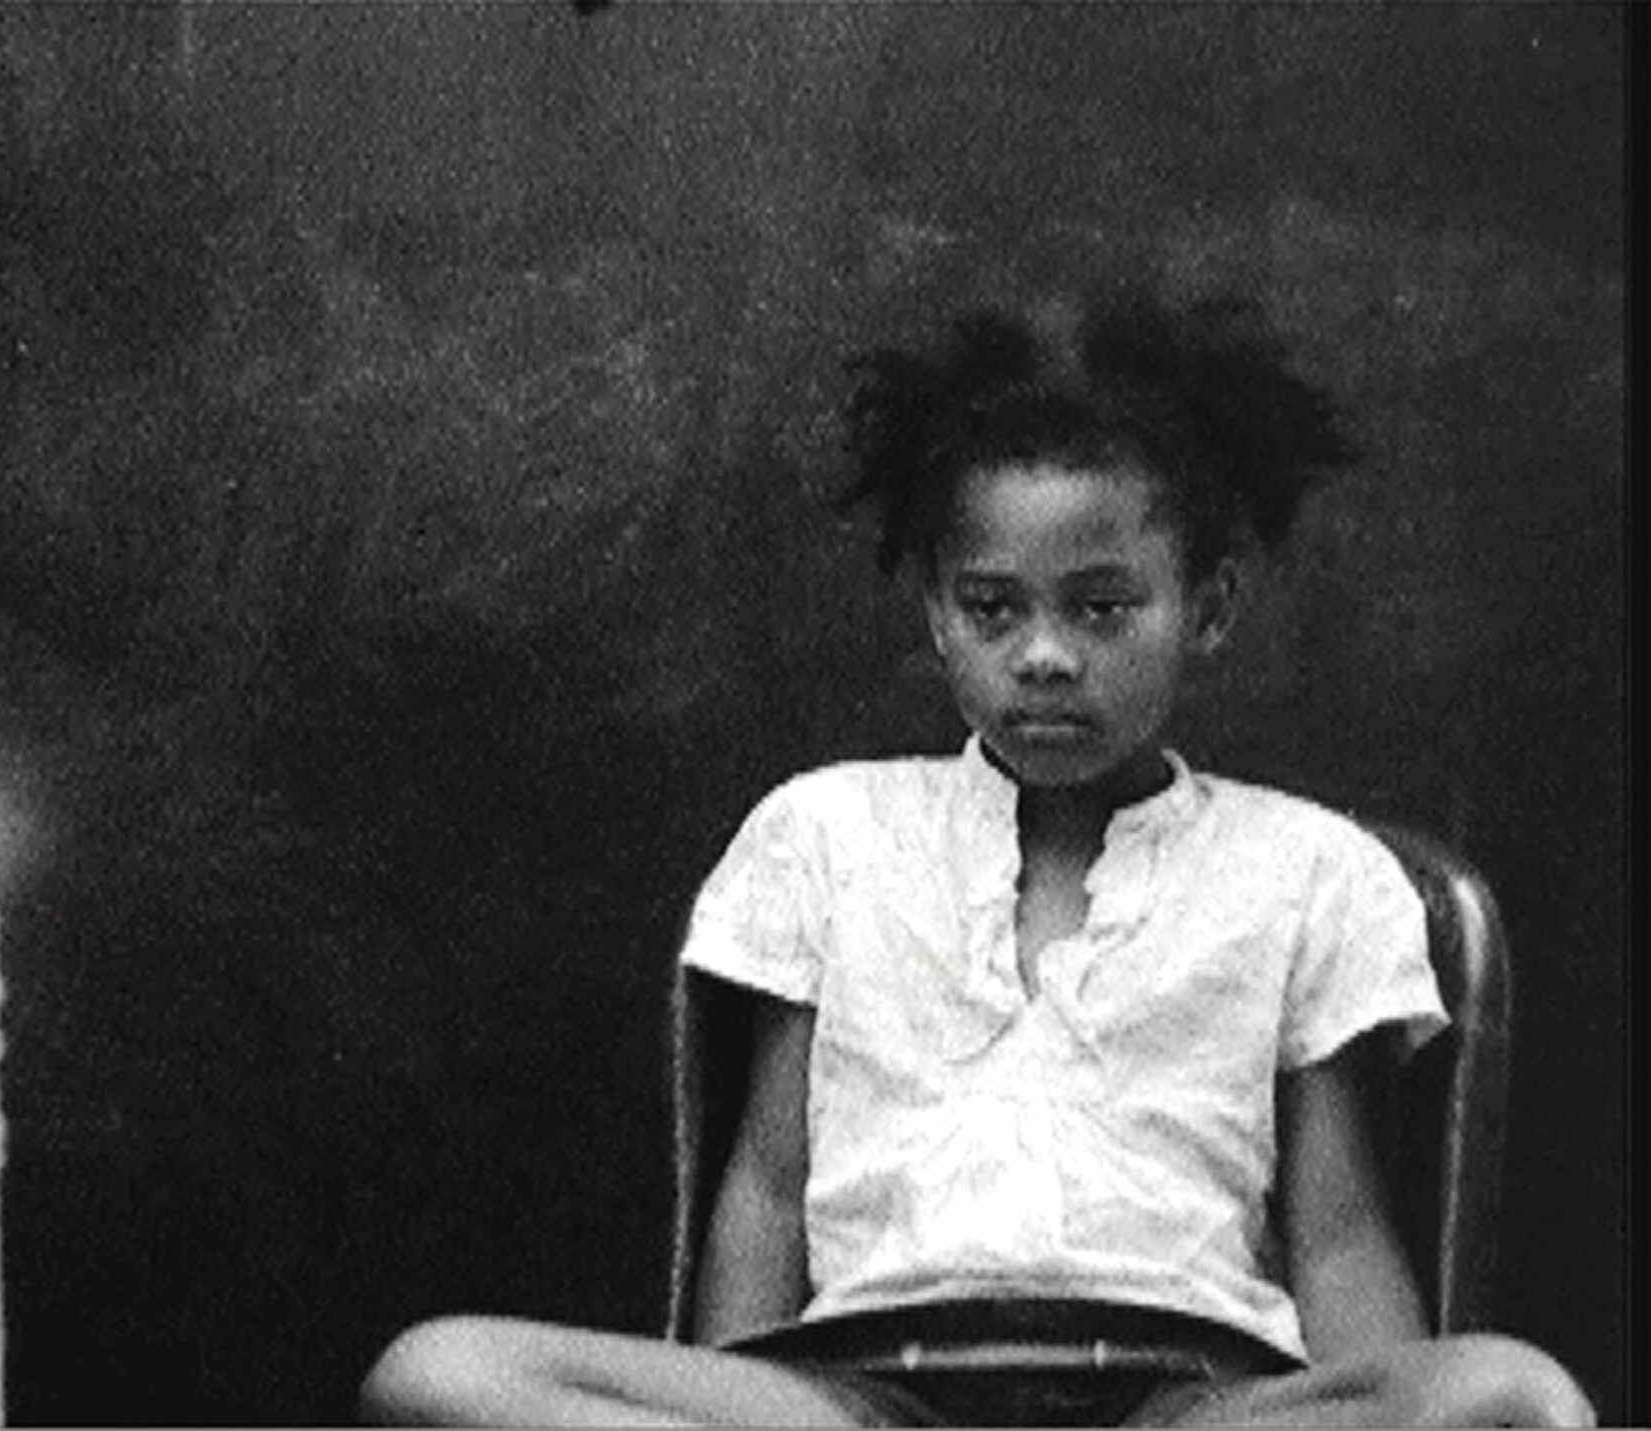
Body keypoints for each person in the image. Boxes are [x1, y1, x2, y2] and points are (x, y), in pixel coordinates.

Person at [356, 288, 1596, 1426]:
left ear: (1207, 607)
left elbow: (1331, 1240)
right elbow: (770, 1187)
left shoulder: (1309, 868)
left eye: (1102, 608)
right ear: (937, 615)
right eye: (994, 608)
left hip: (1177, 1402)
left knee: (1510, 1398)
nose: (1044, 655)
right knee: (436, 1376)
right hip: (860, 1399)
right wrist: (724, 1409)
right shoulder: (825, 833)